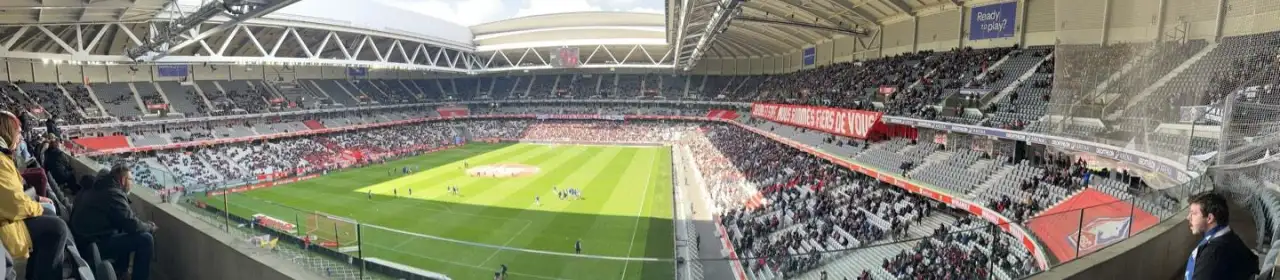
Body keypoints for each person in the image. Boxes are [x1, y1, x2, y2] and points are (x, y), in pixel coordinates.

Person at [0, 111, 70, 280]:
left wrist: (37, 200)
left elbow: (12, 195)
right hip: (6, 224)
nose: (20, 138)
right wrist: (38, 206)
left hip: (8, 218)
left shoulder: (4, 158)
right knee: (57, 229)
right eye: (18, 133)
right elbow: (15, 204)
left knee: (50, 216)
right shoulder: (1, 161)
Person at [70, 164, 158, 280]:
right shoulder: (112, 193)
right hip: (92, 245)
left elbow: (125, 219)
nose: (132, 183)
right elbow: (132, 225)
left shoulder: (99, 187)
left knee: (121, 227)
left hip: (84, 240)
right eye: (131, 180)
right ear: (123, 180)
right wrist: (149, 227)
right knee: (146, 239)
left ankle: (121, 271)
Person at [1185, 192, 1258, 280]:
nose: (1188, 217)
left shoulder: (1213, 253)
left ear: (1209, 218)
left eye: (1194, 213)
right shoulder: (1230, 237)